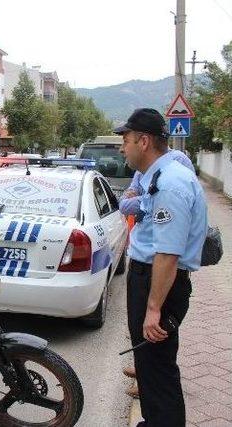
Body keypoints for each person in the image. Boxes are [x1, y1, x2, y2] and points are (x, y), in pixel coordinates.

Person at [115, 108, 207, 427]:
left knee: (158, 368)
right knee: (151, 366)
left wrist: (153, 309)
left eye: (125, 140)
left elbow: (167, 253)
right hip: (151, 279)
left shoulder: (169, 183)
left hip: (159, 284)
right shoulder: (157, 176)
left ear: (144, 141)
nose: (121, 147)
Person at [120, 149, 195, 216]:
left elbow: (170, 200)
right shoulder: (143, 166)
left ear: (145, 141)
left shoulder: (178, 159)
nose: (122, 149)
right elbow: (124, 204)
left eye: (127, 141)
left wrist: (145, 200)